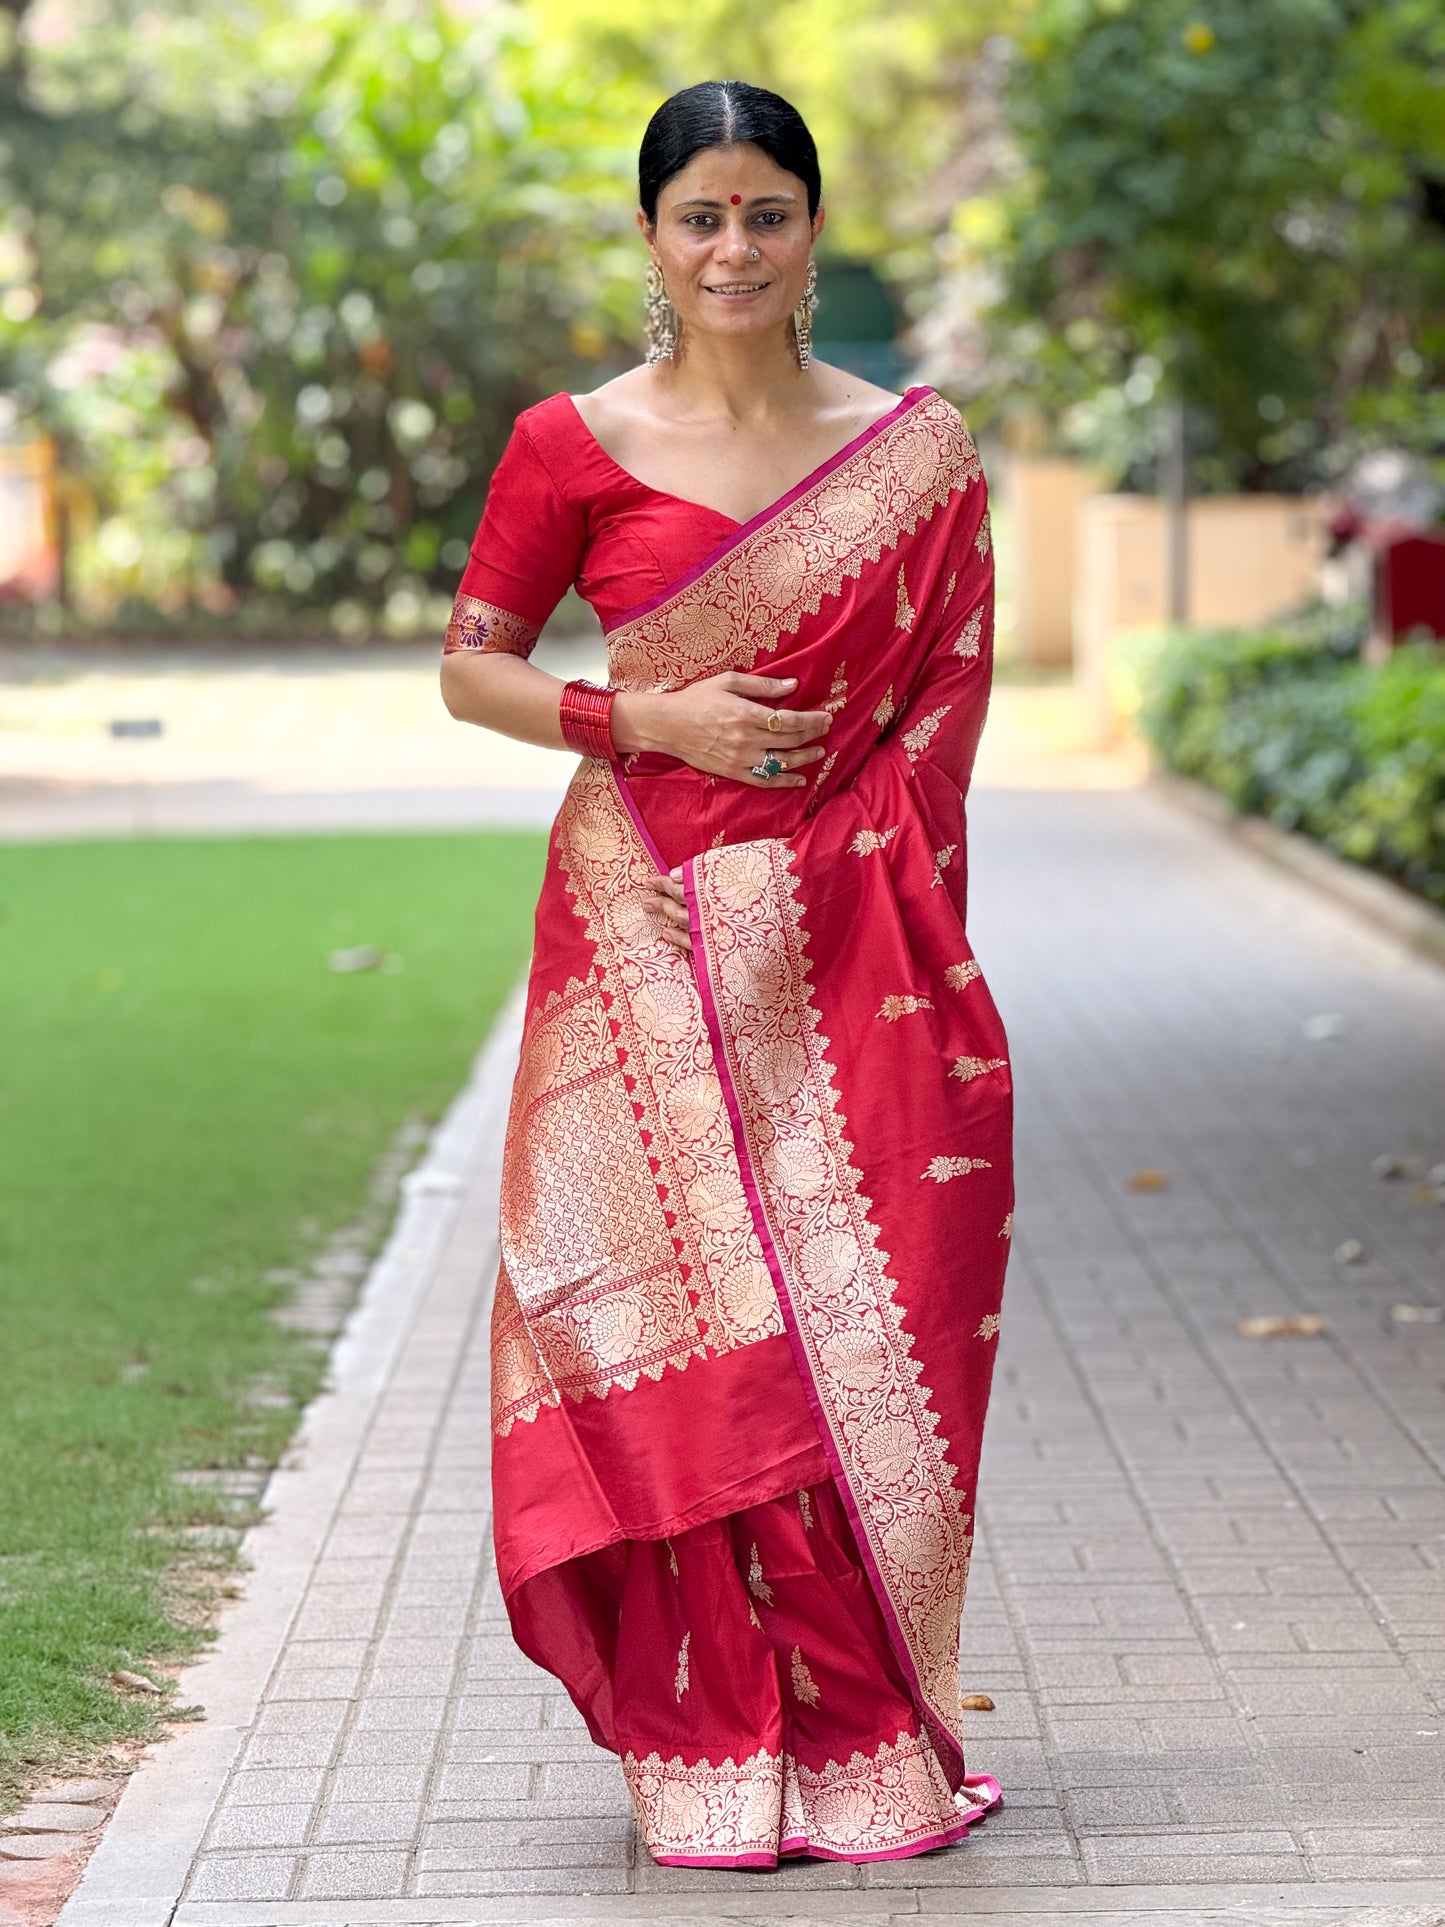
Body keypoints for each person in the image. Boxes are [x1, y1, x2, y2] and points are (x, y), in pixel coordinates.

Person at [439, 78, 1012, 1868]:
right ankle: (706, 1740)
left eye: (766, 213)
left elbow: (943, 701)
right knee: (673, 1321)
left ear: (813, 228)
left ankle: (855, 1737)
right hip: (637, 939)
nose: (736, 249)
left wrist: (848, 873)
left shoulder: (912, 450)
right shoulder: (570, 443)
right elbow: (473, 667)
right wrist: (641, 711)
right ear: (652, 240)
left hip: (851, 949)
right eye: (701, 217)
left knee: (877, 1292)